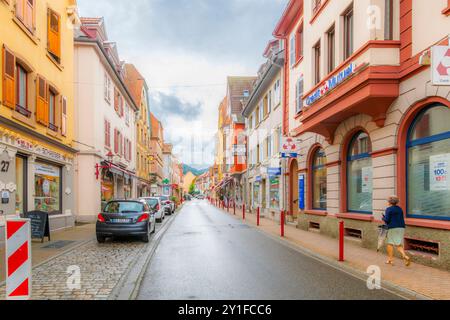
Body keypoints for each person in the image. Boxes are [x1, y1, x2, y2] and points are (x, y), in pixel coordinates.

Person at [382, 196, 411, 266]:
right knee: (398, 243)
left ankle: (391, 260)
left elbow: (387, 220)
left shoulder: (389, 209)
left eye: (388, 201)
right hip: (401, 227)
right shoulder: (400, 209)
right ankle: (404, 256)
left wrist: (383, 218)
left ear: (389, 202)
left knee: (390, 244)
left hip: (392, 228)